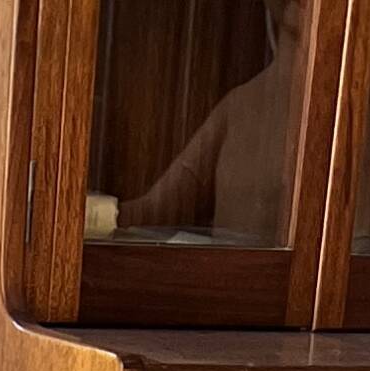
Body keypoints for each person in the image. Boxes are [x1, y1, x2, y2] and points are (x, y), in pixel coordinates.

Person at [114, 0, 308, 244]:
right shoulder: (239, 105)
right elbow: (152, 210)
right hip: (224, 279)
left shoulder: (367, 119)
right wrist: (84, 215)